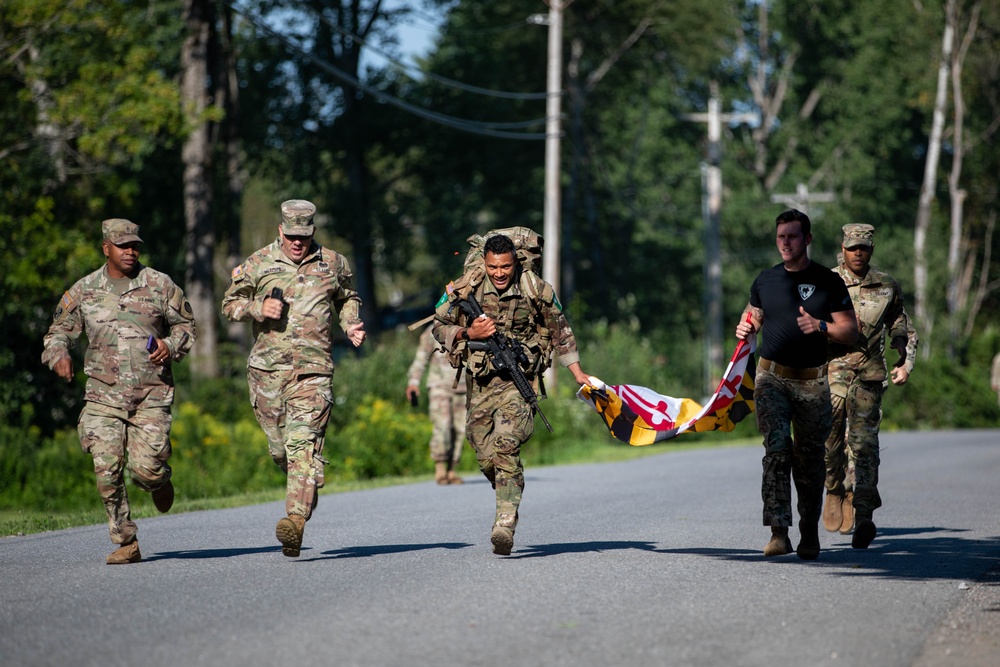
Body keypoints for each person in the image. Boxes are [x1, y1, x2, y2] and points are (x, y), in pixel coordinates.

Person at [42, 219, 196, 564]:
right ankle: (126, 540)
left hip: (150, 396)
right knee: (106, 468)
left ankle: (158, 479)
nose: (131, 251)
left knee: (146, 470)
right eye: (123, 245)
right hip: (102, 396)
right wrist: (59, 355)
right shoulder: (84, 290)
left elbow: (187, 326)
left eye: (135, 245)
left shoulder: (159, 284)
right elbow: (58, 332)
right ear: (106, 248)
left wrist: (171, 345)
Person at [222, 199, 366, 558]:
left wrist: (350, 323)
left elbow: (348, 297)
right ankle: (306, 475)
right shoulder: (257, 263)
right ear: (280, 231)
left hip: (314, 372)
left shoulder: (333, 262)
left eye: (303, 236)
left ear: (313, 231)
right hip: (267, 373)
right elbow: (229, 304)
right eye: (291, 236)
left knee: (302, 443)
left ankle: (295, 521)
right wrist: (257, 308)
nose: (297, 242)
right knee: (282, 450)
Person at [432, 233, 591, 556]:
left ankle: (504, 523)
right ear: (485, 263)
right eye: (493, 267)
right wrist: (468, 332)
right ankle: (509, 486)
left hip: (518, 383)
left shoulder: (536, 289)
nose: (500, 274)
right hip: (480, 383)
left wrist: (578, 374)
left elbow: (561, 331)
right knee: (483, 453)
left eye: (505, 267)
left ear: (515, 262)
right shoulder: (468, 286)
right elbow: (438, 324)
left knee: (506, 445)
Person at [734, 209, 858, 560]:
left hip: (814, 384)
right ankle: (778, 532)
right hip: (771, 378)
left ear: (807, 239)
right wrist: (744, 329)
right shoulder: (765, 280)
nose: (785, 243)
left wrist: (820, 327)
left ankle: (808, 531)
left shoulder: (828, 282)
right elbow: (751, 318)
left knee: (809, 461)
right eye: (780, 237)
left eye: (792, 236)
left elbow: (849, 331)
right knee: (775, 450)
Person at [821, 224, 918, 549]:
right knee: (829, 439)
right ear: (843, 248)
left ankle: (864, 514)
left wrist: (903, 352)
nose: (858, 253)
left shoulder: (887, 285)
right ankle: (834, 488)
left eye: (863, 247)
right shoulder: (825, 281)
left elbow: (899, 321)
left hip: (869, 375)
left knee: (864, 446)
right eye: (852, 248)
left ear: (871, 249)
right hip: (831, 372)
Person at [406, 324, 467, 485]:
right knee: (443, 426)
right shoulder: (433, 331)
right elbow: (421, 359)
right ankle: (440, 469)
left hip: (464, 388)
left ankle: (452, 470)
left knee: (462, 429)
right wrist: (413, 383)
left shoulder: (470, 328)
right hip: (439, 386)